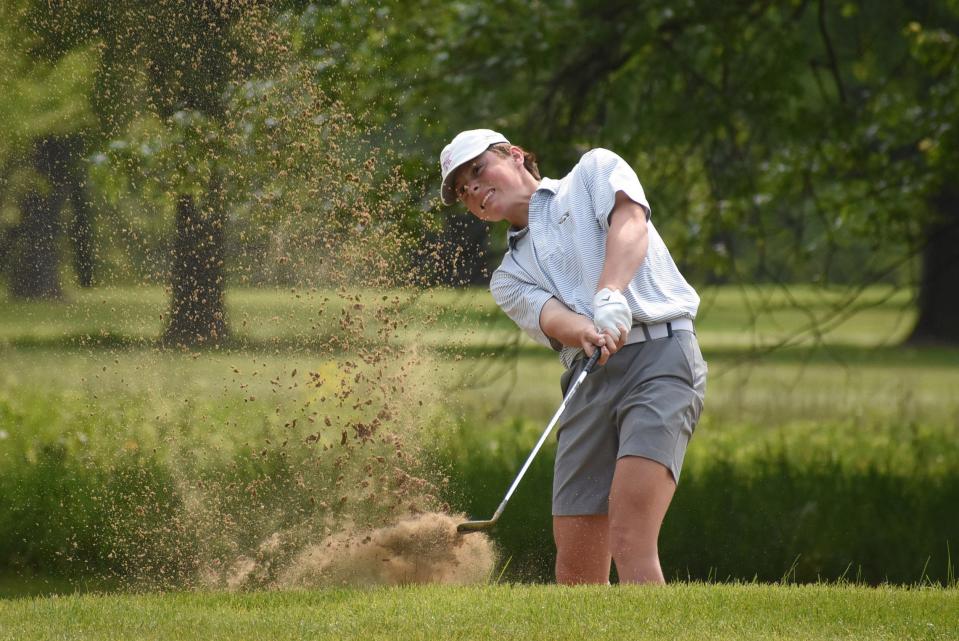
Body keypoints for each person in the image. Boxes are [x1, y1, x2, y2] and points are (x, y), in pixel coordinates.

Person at [439, 129, 707, 585]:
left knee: (629, 536)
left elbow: (631, 223)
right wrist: (587, 327)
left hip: (660, 360)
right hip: (588, 379)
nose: (474, 190)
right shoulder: (507, 276)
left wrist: (611, 294)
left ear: (516, 155)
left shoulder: (593, 171)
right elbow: (552, 318)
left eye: (479, 169)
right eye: (464, 190)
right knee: (576, 566)